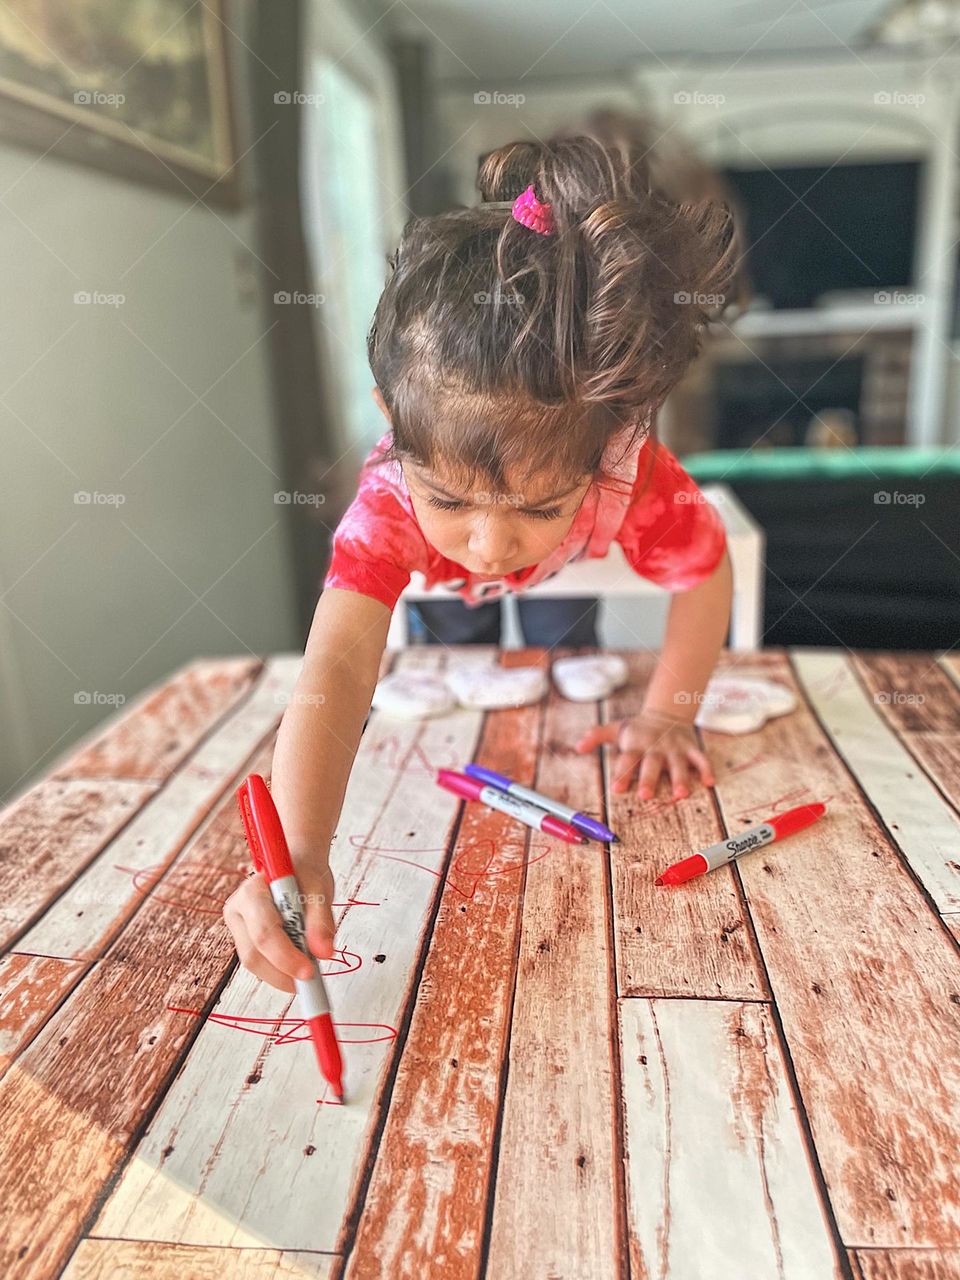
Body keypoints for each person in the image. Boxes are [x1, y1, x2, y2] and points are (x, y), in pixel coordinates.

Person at [224, 126, 739, 992]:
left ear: (607, 447)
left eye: (539, 508)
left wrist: (669, 714)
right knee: (450, 652)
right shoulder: (388, 507)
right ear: (393, 421)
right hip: (442, 636)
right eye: (452, 501)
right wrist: (302, 849)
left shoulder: (637, 475)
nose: (491, 546)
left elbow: (706, 571)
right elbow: (336, 668)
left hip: (563, 625)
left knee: (556, 641)